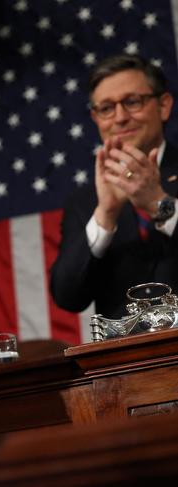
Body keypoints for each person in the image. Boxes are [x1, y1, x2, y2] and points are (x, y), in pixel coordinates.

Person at [51, 54, 178, 320]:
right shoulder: (85, 201)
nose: (119, 118)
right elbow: (67, 296)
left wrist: (159, 204)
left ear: (164, 105)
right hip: (125, 358)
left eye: (132, 102)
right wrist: (105, 215)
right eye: (106, 108)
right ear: (95, 118)